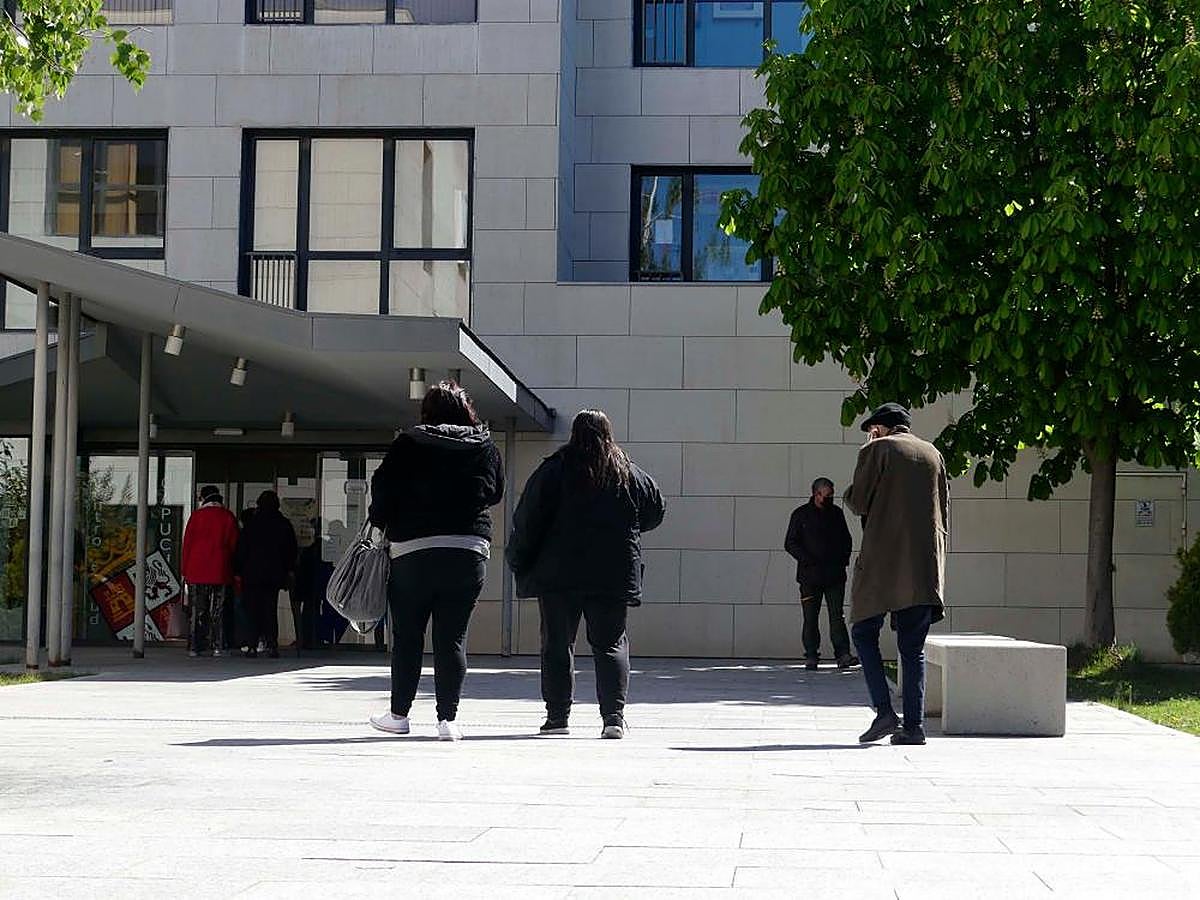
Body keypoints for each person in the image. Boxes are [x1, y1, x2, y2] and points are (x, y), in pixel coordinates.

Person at [507, 409, 666, 740]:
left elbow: (527, 521)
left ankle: (557, 717)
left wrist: (518, 559)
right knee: (610, 643)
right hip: (613, 573)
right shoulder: (628, 474)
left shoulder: (553, 471)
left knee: (556, 643)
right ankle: (613, 718)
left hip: (558, 575)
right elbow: (655, 510)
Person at [367, 381, 504, 742]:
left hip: (413, 550)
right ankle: (448, 720)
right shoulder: (484, 445)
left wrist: (382, 521)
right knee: (452, 638)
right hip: (467, 550)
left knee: (408, 636)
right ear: (467, 411)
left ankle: (399, 715)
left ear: (427, 411)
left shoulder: (408, 443)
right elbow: (495, 492)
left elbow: (382, 489)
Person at [844, 402, 949, 746]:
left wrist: (865, 455)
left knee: (863, 631)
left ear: (880, 427)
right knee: (912, 647)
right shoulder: (932, 453)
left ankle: (885, 711)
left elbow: (858, 501)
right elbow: (942, 510)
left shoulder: (879, 450)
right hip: (923, 564)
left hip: (883, 559)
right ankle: (914, 727)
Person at [784, 477, 857, 671]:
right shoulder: (800, 515)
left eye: (832, 495)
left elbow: (846, 540)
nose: (830, 499)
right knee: (810, 617)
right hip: (810, 577)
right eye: (827, 495)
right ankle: (811, 655)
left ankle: (843, 654)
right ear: (816, 494)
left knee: (837, 616)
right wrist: (808, 560)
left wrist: (842, 561)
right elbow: (790, 543)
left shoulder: (836, 514)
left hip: (834, 576)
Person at [235, 490, 298, 659]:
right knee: (270, 609)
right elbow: (291, 550)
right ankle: (271, 644)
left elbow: (242, 550)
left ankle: (252, 645)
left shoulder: (252, 524)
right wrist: (289, 570)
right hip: (273, 574)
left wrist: (238, 570)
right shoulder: (283, 524)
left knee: (253, 610)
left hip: (252, 573)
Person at [180, 485, 239, 658]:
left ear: (203, 499)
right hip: (221, 569)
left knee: (198, 609)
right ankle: (218, 645)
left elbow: (187, 545)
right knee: (218, 610)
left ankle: (194, 646)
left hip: (195, 569)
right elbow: (234, 545)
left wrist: (184, 570)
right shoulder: (228, 517)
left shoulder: (196, 516)